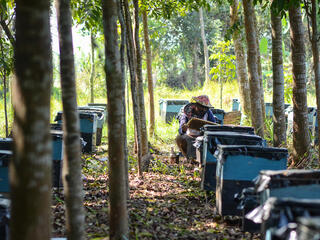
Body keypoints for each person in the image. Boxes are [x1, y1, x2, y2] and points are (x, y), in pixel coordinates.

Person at [176, 95, 218, 162]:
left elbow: (214, 126)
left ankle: (201, 159)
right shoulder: (186, 112)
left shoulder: (208, 113)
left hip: (203, 136)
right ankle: (188, 157)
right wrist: (183, 128)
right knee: (179, 138)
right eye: (201, 107)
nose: (203, 109)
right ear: (196, 105)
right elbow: (181, 129)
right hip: (189, 136)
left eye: (205, 108)